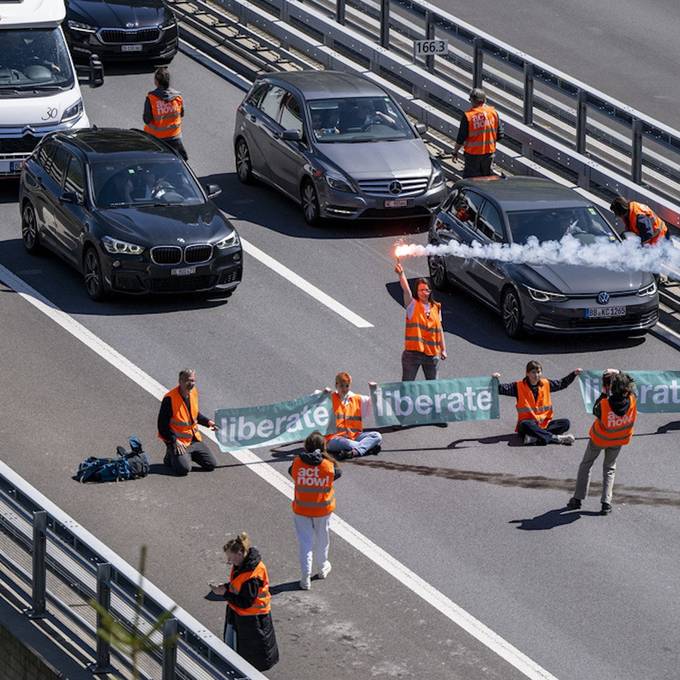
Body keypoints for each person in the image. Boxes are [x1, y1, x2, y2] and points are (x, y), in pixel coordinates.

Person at [566, 370, 637, 515]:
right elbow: (630, 382)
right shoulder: (632, 399)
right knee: (610, 468)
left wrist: (605, 392)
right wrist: (619, 372)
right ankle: (606, 503)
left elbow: (595, 410)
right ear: (626, 389)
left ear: (612, 388)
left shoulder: (604, 404)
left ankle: (577, 499)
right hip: (619, 440)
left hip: (599, 439)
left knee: (586, 465)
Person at [209, 532, 279, 671]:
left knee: (248, 661)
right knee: (238, 655)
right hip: (242, 618)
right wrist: (227, 587)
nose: (229, 562)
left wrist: (225, 593)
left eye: (231, 558)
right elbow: (238, 585)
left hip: (252, 622)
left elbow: (245, 602)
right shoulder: (243, 565)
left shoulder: (252, 576)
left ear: (240, 552)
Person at [289, 431, 341, 590]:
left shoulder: (297, 462)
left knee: (305, 544)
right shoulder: (328, 465)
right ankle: (323, 567)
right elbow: (338, 474)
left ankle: (305, 578)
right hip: (323, 511)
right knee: (322, 540)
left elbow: (291, 472)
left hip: (301, 509)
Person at [492, 360, 582, 445]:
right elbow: (500, 389)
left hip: (543, 424)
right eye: (533, 372)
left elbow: (562, 383)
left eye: (538, 372)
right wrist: (495, 379)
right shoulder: (518, 386)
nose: (536, 375)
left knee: (565, 423)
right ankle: (555, 438)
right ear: (527, 373)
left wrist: (574, 374)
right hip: (527, 425)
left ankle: (536, 438)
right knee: (525, 424)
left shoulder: (546, 384)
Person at [157, 368, 218, 476]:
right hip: (178, 441)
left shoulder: (193, 393)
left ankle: (187, 455)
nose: (191, 383)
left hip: (193, 439)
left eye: (193, 380)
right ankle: (171, 456)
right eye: (188, 380)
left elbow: (194, 414)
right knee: (183, 469)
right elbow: (162, 426)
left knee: (211, 464)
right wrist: (174, 440)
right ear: (180, 381)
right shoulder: (169, 399)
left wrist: (208, 422)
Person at [395, 260, 447, 380]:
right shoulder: (412, 305)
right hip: (413, 354)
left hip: (432, 355)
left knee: (433, 388)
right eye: (421, 290)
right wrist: (401, 274)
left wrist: (443, 349)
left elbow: (439, 330)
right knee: (408, 387)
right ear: (417, 292)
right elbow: (406, 290)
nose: (424, 293)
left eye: (426, 290)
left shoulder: (436, 307)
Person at [324, 372, 382, 460]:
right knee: (346, 443)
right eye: (342, 386)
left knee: (377, 436)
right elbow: (315, 405)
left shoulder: (357, 399)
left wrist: (374, 390)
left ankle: (355, 452)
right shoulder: (329, 398)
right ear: (336, 385)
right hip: (333, 439)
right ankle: (368, 448)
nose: (344, 389)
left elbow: (373, 403)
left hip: (354, 436)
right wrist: (323, 394)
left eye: (347, 386)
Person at [453, 88, 504, 178]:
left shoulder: (468, 116)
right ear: (485, 100)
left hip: (472, 155)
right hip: (489, 154)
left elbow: (461, 137)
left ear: (472, 101)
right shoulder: (493, 113)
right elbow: (500, 135)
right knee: (486, 180)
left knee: (470, 181)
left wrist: (455, 152)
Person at [143, 67, 188, 160]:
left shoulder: (151, 98)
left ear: (156, 82)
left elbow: (147, 119)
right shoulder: (178, 97)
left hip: (156, 139)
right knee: (183, 159)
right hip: (175, 137)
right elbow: (182, 114)